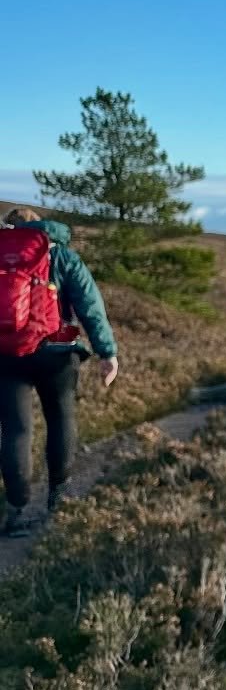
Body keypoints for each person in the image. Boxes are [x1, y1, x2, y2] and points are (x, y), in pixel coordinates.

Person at [0, 207, 119, 533]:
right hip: (58, 353)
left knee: (15, 430)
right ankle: (58, 499)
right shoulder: (64, 257)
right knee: (61, 419)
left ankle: (16, 511)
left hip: (7, 355)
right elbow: (90, 306)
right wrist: (107, 352)